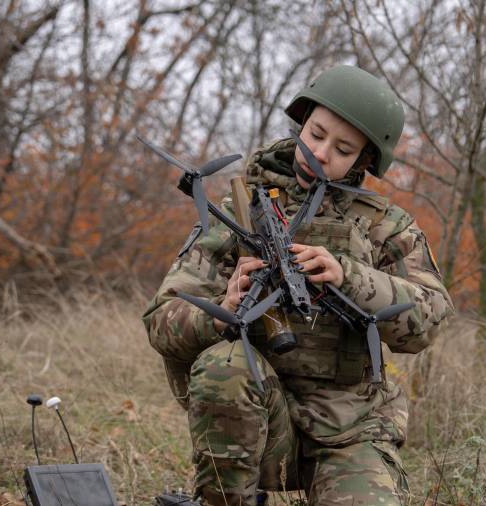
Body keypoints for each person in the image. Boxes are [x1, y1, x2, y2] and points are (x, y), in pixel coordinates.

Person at [143, 65, 451, 505]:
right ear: (302, 122)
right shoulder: (239, 212)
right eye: (316, 133)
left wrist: (350, 277)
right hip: (260, 423)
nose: (321, 153)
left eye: (343, 149)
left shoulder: (385, 227)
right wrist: (223, 309)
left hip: (349, 433)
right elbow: (161, 319)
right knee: (225, 366)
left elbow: (430, 319)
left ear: (364, 161)